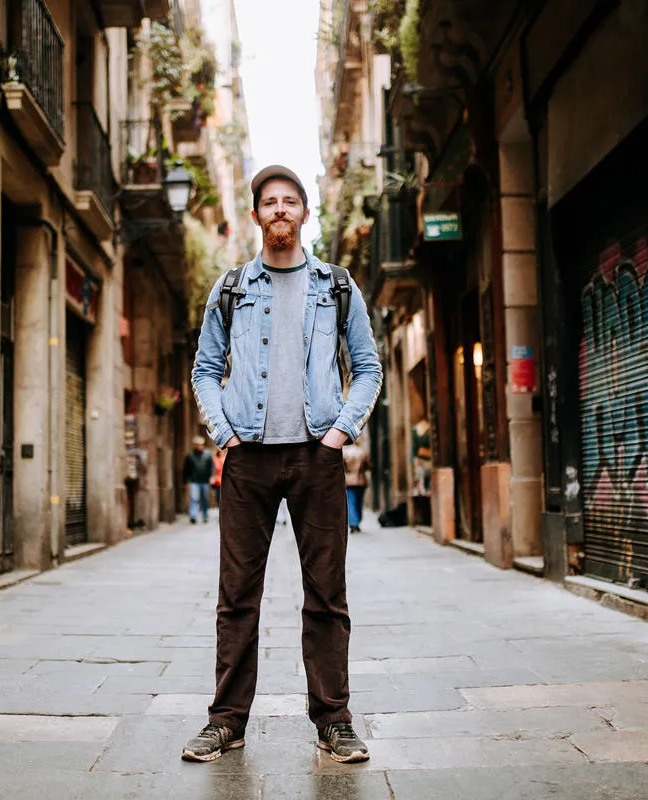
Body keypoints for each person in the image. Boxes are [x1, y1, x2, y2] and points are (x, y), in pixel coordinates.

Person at [185, 164, 382, 764]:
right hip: (248, 458)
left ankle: (334, 721)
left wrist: (340, 432)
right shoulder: (231, 289)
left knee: (327, 595)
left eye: (289, 201)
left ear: (304, 213)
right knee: (237, 595)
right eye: (269, 202)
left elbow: (367, 367)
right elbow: (204, 370)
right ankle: (226, 721)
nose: (279, 210)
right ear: (255, 216)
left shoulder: (337, 286)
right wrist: (224, 435)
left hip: (317, 455)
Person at [182, 436, 214, 524]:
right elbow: (186, 469)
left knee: (205, 498)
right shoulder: (190, 455)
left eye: (201, 444)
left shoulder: (208, 454)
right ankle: (193, 516)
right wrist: (185, 481)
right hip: (194, 481)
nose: (200, 446)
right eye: (198, 444)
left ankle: (205, 516)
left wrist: (212, 477)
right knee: (194, 498)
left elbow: (212, 467)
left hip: (205, 481)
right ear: (195, 445)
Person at [343, 441, 371, 533]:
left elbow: (342, 467)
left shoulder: (345, 453)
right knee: (359, 502)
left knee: (350, 502)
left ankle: (353, 523)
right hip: (361, 479)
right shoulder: (362, 452)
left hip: (349, 480)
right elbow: (368, 465)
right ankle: (357, 521)